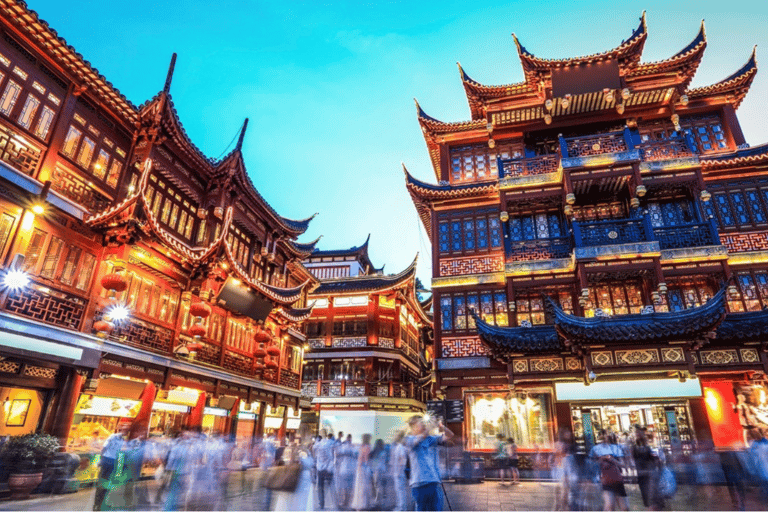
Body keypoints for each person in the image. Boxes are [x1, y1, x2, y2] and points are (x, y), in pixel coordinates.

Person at [405, 415, 455, 511]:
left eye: (423, 422)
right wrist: (426, 431)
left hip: (433, 481)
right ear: (413, 427)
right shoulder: (409, 439)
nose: (423, 424)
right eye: (420, 423)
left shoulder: (430, 439)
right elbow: (416, 441)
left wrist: (441, 426)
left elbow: (450, 435)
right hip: (419, 484)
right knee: (421, 508)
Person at [92, 421, 129, 511]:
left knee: (109, 484)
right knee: (102, 483)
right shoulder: (113, 437)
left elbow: (122, 453)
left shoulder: (124, 440)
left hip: (114, 463)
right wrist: (101, 459)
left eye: (127, 430)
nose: (125, 432)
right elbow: (104, 448)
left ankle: (103, 502)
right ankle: (97, 504)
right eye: (124, 430)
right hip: (107, 461)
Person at [589, 430, 628, 511]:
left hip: (617, 479)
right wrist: (602, 459)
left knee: (625, 508)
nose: (603, 438)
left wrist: (613, 460)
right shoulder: (595, 449)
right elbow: (591, 465)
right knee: (610, 505)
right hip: (604, 480)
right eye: (601, 436)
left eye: (606, 436)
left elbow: (623, 464)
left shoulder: (616, 448)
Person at [632, 426, 663, 510]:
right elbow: (637, 461)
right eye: (638, 432)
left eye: (640, 432)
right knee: (651, 503)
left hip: (650, 476)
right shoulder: (637, 447)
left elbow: (652, 458)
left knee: (654, 503)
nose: (639, 434)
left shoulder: (646, 445)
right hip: (646, 477)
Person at [351, 434, 373, 511]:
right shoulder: (367, 447)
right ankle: (362, 504)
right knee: (364, 487)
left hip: (359, 468)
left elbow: (359, 458)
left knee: (359, 487)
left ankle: (358, 504)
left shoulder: (361, 447)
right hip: (364, 468)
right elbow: (366, 459)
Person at [315, 433, 336, 510]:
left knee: (321, 488)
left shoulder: (319, 445)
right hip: (329, 469)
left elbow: (315, 455)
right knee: (331, 487)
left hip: (321, 469)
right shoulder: (332, 444)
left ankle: (321, 505)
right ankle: (335, 504)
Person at [336, 434, 357, 510]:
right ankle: (347, 503)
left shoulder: (343, 447)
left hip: (344, 470)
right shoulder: (354, 448)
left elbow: (337, 456)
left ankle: (344, 503)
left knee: (344, 488)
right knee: (349, 488)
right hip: (352, 470)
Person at [392, 432, 410, 511]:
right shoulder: (401, 447)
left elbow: (403, 459)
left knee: (400, 491)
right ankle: (401, 507)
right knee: (400, 491)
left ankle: (402, 508)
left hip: (399, 473)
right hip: (399, 473)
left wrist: (399, 471)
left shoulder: (400, 447)